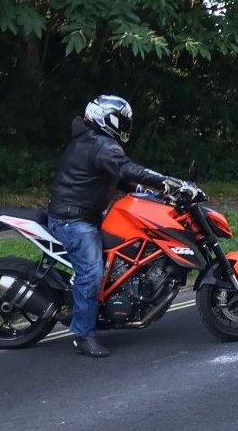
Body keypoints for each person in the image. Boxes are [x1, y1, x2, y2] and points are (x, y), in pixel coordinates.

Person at [47, 95, 173, 357]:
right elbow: (128, 170)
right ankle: (83, 336)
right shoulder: (99, 144)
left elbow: (121, 178)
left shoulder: (93, 142)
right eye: (122, 120)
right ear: (107, 118)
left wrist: (151, 192)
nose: (125, 126)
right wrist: (166, 182)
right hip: (73, 220)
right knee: (91, 272)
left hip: (85, 215)